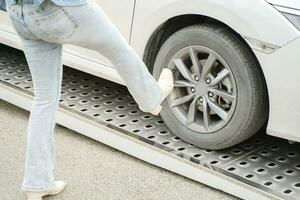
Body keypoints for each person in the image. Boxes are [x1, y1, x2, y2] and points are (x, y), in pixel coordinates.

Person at [5, 0, 174, 199]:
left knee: (44, 98)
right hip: (57, 7)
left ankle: (37, 184)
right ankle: (152, 98)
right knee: (116, 47)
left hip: (19, 12)